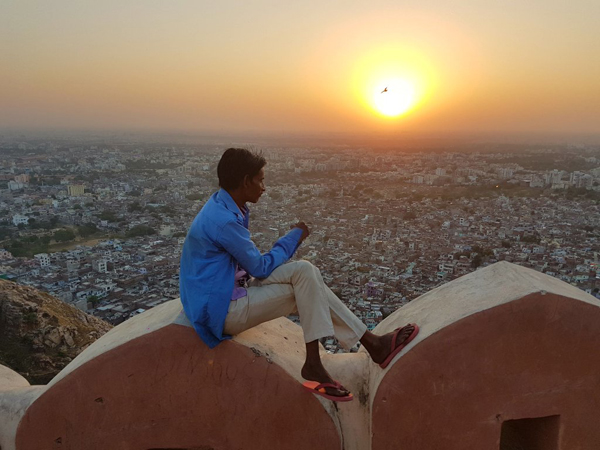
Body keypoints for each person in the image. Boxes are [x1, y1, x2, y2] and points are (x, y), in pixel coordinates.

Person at [180, 148, 419, 401]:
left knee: (305, 271)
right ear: (246, 181)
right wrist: (292, 238)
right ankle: (331, 358)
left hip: (225, 288)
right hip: (219, 309)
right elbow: (259, 268)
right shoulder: (224, 220)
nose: (264, 187)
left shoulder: (223, 205)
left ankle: (366, 346)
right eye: (260, 180)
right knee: (305, 289)